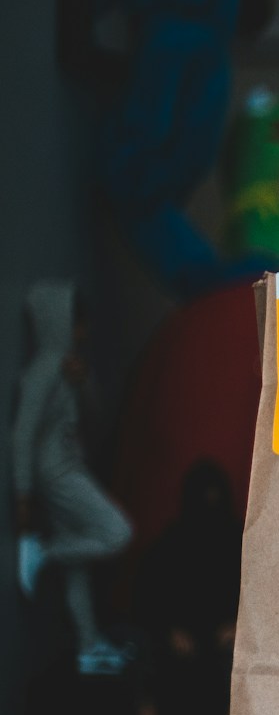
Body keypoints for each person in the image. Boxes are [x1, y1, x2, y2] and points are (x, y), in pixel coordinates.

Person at [14, 280, 138, 675]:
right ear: (62, 321)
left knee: (79, 567)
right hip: (58, 473)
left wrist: (83, 383)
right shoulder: (44, 370)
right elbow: (22, 433)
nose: (83, 332)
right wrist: (23, 493)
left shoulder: (67, 367)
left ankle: (88, 646)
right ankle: (46, 551)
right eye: (78, 323)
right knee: (118, 533)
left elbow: (96, 420)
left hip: (68, 468)